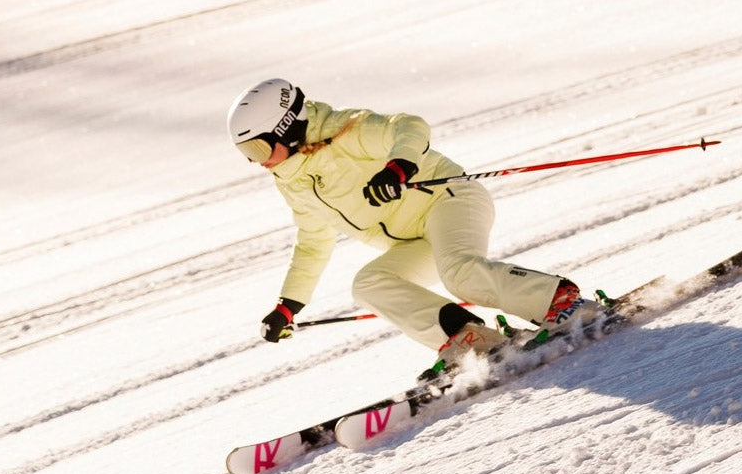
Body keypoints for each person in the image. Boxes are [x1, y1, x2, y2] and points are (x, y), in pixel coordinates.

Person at [226, 78, 597, 376]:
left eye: (258, 149)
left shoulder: (343, 131)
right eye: (246, 155)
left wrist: (399, 167)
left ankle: (559, 301)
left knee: (460, 275)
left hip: (449, 200)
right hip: (413, 239)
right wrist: (288, 305)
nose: (256, 162)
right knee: (368, 285)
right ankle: (471, 340)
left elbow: (408, 125)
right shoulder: (292, 179)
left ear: (286, 129)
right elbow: (312, 240)